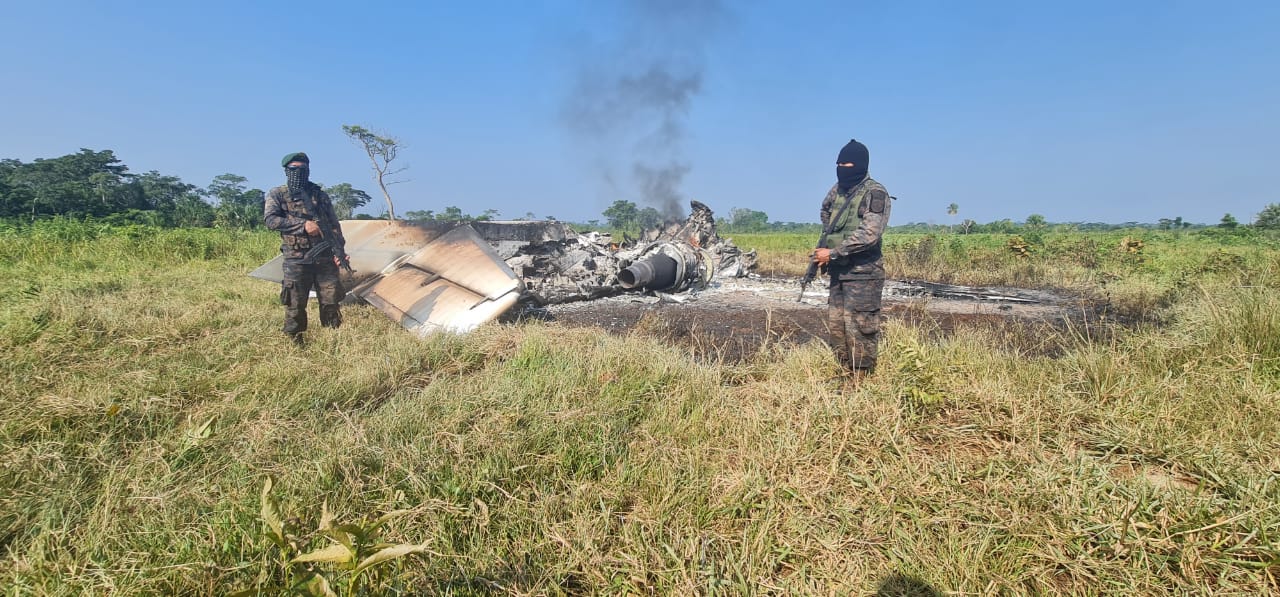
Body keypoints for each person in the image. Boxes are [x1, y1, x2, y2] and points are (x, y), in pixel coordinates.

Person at [811, 138, 891, 379]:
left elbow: (870, 234)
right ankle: (844, 372)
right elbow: (826, 210)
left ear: (859, 165)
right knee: (837, 326)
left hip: (864, 274)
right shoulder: (838, 190)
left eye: (847, 164)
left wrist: (833, 252)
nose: (842, 168)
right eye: (839, 163)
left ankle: (861, 379)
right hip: (839, 272)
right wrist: (832, 239)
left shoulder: (875, 193)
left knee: (860, 327)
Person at [263, 152, 347, 344]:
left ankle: (333, 339)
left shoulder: (319, 195)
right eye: (294, 169)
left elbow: (334, 225)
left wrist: (339, 252)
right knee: (295, 302)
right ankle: (295, 340)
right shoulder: (277, 194)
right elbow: (271, 220)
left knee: (331, 300)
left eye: (303, 169)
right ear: (286, 171)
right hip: (297, 259)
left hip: (324, 257)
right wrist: (303, 226)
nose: (298, 173)